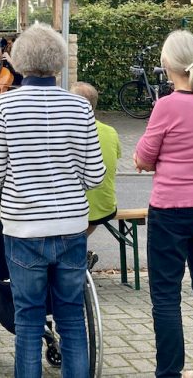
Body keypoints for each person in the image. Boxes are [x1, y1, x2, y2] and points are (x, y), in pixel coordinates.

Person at [0, 22, 106, 377]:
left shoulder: (4, 107)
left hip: (23, 229)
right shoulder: (79, 108)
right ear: (57, 62)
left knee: (28, 321)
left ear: (19, 61)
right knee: (71, 318)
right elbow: (95, 176)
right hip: (70, 228)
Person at [134, 29, 193, 378]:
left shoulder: (167, 105)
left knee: (166, 296)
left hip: (172, 209)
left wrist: (153, 160)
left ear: (166, 63)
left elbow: (144, 158)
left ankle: (169, 372)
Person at [70, 82, 121, 270]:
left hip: (75, 210)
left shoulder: (67, 131)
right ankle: (79, 253)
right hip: (106, 206)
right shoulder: (110, 131)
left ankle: (76, 256)